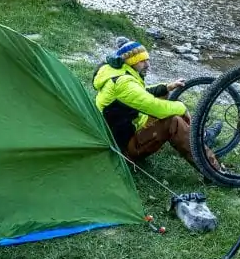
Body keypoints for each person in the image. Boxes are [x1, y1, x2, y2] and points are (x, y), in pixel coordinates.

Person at [93, 37, 221, 172]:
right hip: (122, 150)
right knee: (173, 121)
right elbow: (155, 107)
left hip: (125, 133)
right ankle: (214, 171)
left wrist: (166, 87)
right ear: (130, 62)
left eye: (147, 59)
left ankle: (198, 137)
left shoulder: (116, 72)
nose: (147, 64)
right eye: (142, 61)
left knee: (163, 96)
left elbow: (140, 94)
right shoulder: (123, 83)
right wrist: (182, 108)